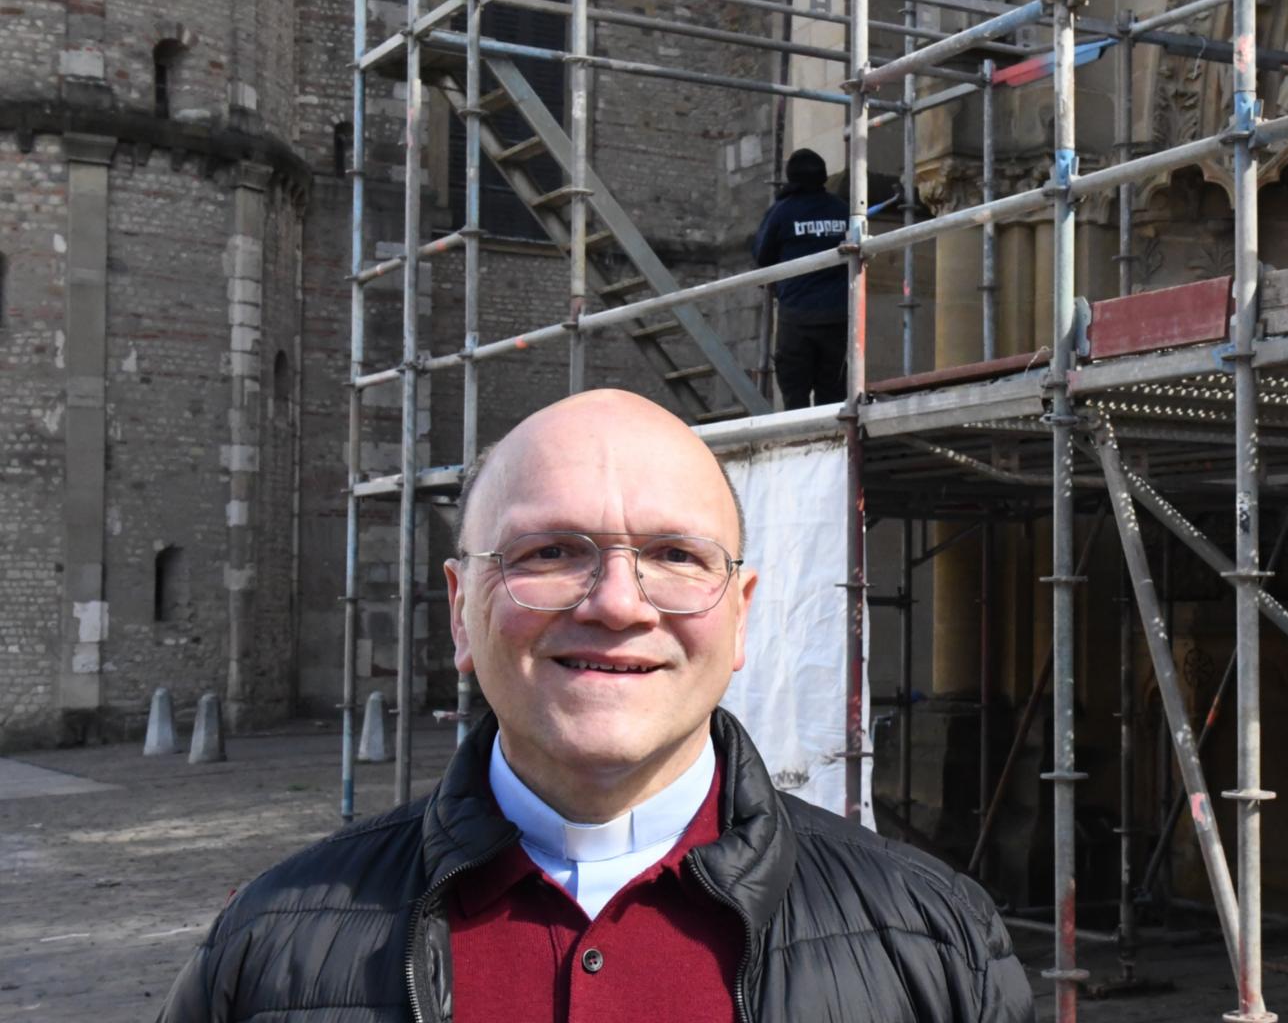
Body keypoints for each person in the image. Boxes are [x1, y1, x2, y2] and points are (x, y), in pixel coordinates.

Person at [157, 389, 1035, 1023]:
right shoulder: (270, 947)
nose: (617, 603)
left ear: (740, 618)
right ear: (462, 609)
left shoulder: (934, 938)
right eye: (550, 550)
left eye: (676, 555)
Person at [751, 149, 851, 410]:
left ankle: (800, 445)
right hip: (838, 316)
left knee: (795, 393)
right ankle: (836, 444)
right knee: (833, 394)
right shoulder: (843, 210)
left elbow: (763, 256)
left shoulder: (782, 212)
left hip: (797, 315)